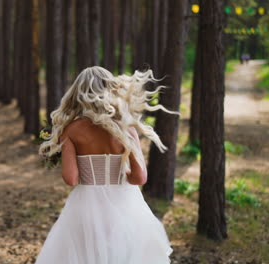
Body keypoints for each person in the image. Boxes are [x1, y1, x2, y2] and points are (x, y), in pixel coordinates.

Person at [35, 66, 176, 263]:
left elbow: (71, 178)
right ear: (111, 90)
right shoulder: (126, 128)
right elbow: (140, 178)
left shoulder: (71, 131)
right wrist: (119, 174)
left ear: (77, 94)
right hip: (125, 202)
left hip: (86, 204)